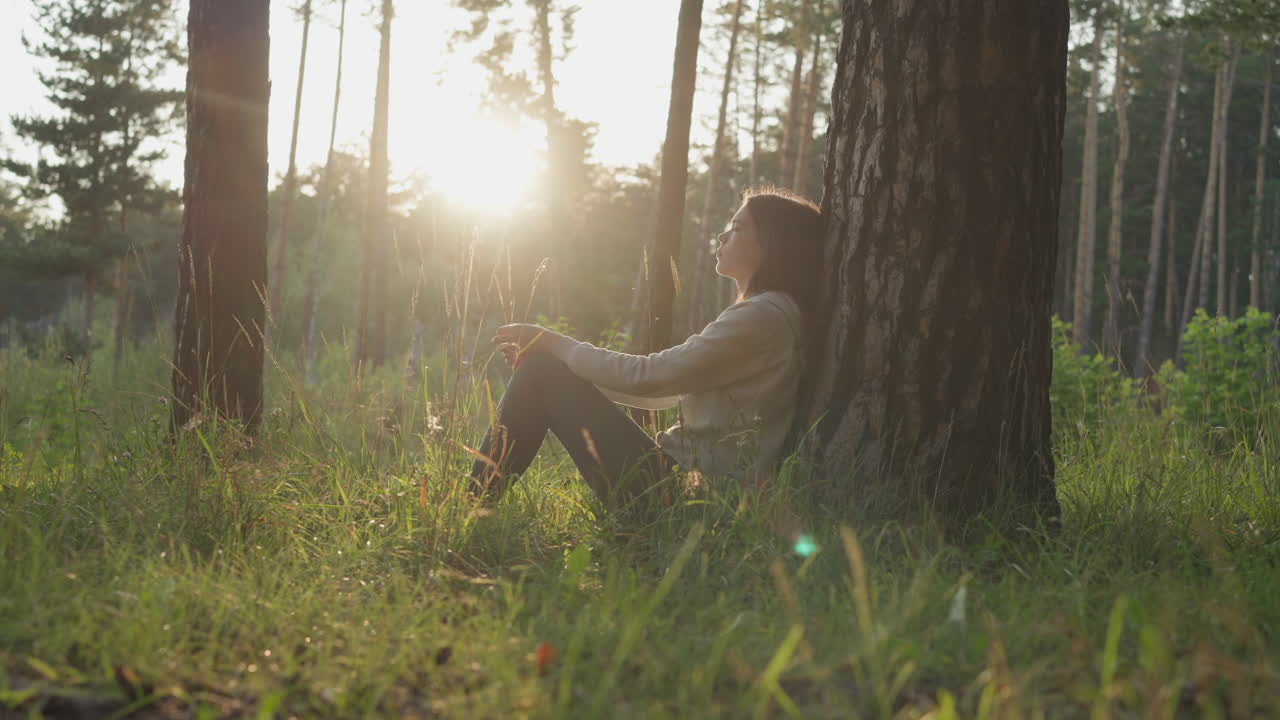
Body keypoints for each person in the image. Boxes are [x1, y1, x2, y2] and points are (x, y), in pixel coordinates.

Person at [470, 187, 823, 514]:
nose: (722, 235)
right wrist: (564, 367)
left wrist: (553, 343)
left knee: (540, 370)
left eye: (738, 227)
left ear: (774, 243)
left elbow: (649, 377)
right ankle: (475, 507)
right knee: (545, 368)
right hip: (688, 488)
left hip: (681, 494)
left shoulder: (762, 315)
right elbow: (663, 391)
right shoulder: (771, 312)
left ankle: (472, 508)